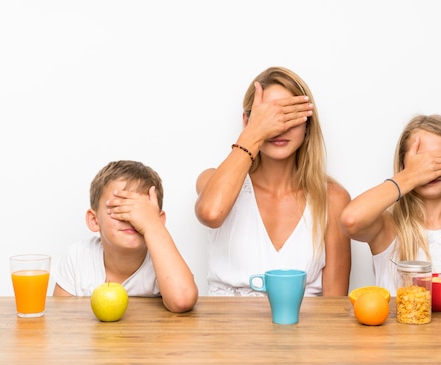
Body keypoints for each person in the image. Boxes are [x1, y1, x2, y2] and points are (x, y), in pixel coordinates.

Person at [195, 66, 351, 296]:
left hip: (304, 331)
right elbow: (211, 213)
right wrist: (254, 133)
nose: (279, 127)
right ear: (247, 122)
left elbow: (335, 308)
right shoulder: (212, 180)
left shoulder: (334, 199)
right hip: (224, 330)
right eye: (268, 117)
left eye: (290, 116)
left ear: (308, 124)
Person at [340, 114, 441, 296]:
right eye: (422, 162)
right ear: (404, 166)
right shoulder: (389, 226)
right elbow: (351, 219)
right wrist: (411, 176)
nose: (430, 170)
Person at [54, 160, 198, 312]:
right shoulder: (78, 257)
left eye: (141, 212)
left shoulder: (166, 257)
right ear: (94, 220)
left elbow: (182, 300)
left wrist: (152, 226)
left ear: (159, 222)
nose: (131, 219)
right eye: (119, 208)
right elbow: (61, 319)